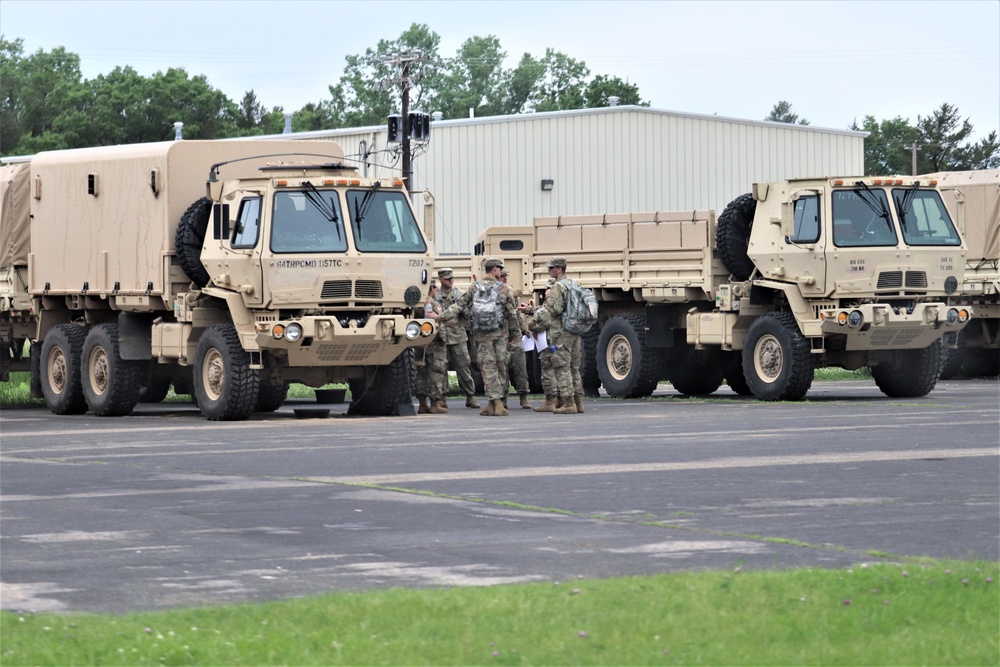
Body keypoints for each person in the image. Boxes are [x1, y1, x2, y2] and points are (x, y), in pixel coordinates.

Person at [439, 258, 520, 416]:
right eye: (500, 269)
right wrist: (515, 335)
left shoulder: (474, 287)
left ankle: (493, 402)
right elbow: (512, 314)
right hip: (500, 333)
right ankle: (500, 402)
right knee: (501, 365)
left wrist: (441, 316)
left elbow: (459, 305)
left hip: (483, 334)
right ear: (495, 270)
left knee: (488, 367)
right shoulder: (504, 288)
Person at [521, 257, 584, 414]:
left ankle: (569, 404)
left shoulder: (558, 287)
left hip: (560, 333)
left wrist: (533, 326)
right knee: (574, 368)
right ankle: (578, 403)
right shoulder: (574, 284)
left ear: (559, 269)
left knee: (561, 368)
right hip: (574, 331)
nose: (548, 271)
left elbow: (551, 312)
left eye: (551, 268)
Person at [434, 267, 480, 409]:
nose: (450, 281)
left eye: (452, 278)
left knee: (463, 366)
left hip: (458, 336)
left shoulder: (458, 294)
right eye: (447, 279)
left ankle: (470, 396)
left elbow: (467, 311)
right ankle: (441, 398)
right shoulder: (435, 295)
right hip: (440, 336)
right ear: (441, 279)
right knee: (440, 368)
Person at [499, 268, 533, 409]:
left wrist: (525, 330)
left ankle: (523, 396)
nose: (505, 279)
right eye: (502, 277)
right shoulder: (492, 292)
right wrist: (509, 296)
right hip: (501, 335)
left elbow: (517, 314)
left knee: (520, 367)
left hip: (515, 334)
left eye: (506, 276)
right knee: (502, 368)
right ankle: (503, 398)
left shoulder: (511, 292)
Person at [416, 282, 448, 414]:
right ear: (431, 288)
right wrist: (443, 339)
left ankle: (422, 404)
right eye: (435, 288)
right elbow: (439, 323)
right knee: (436, 372)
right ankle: (435, 403)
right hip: (435, 344)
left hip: (419, 343)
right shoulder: (433, 304)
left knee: (421, 373)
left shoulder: (416, 304)